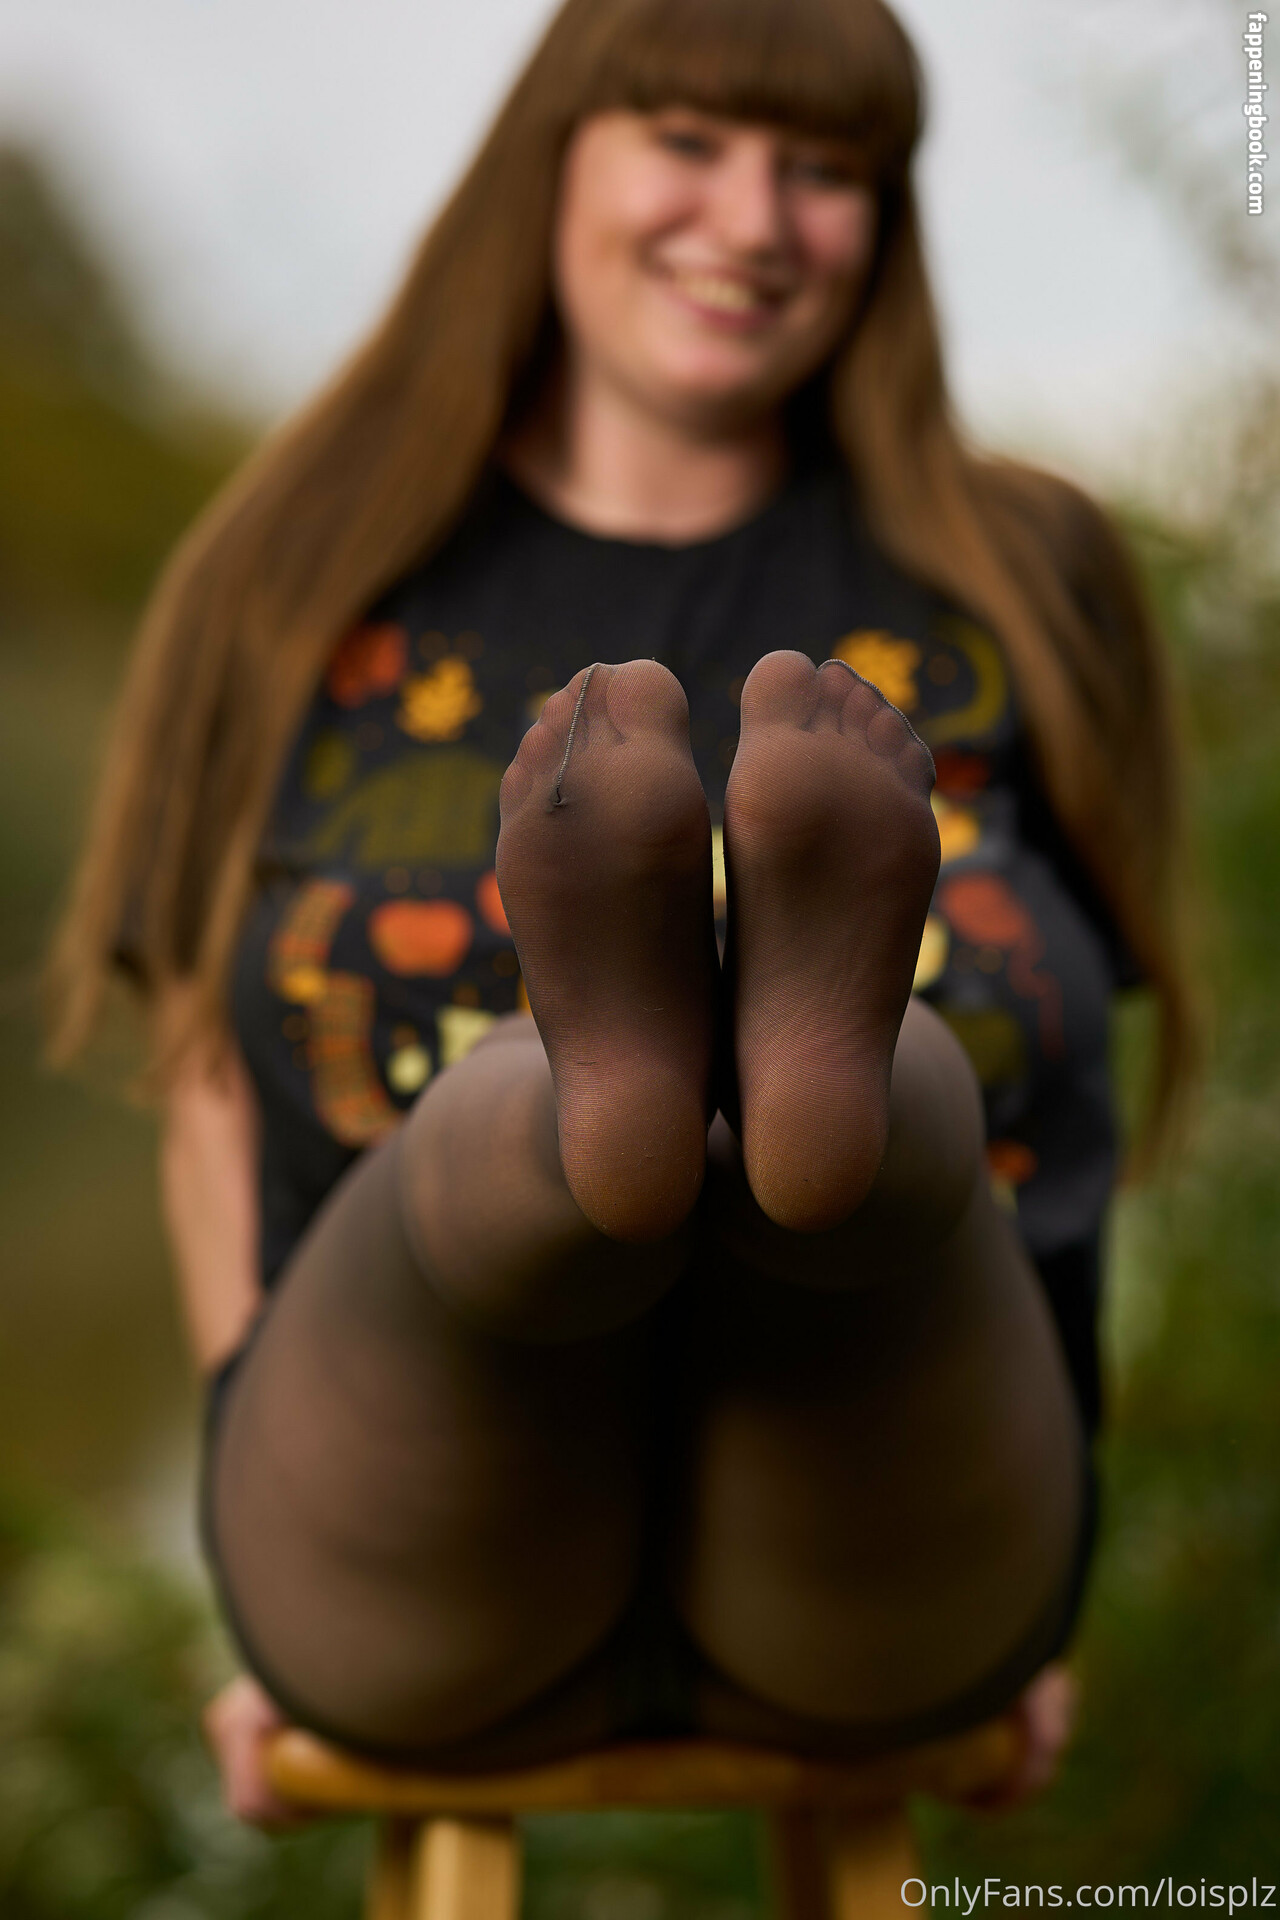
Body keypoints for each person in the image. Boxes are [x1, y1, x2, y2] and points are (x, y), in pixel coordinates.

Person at [51, 0, 1194, 1827]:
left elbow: (1077, 1118)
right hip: (423, 1517)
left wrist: (1019, 1503)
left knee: (823, 1136)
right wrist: (262, 1482)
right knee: (598, 1127)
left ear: (888, 217)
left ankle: (725, 1108)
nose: (753, 220)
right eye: (688, 140)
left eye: (823, 170)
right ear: (555, 158)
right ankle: (653, 1109)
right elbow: (205, 1075)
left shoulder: (1019, 575)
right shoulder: (301, 564)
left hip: (880, 1524)